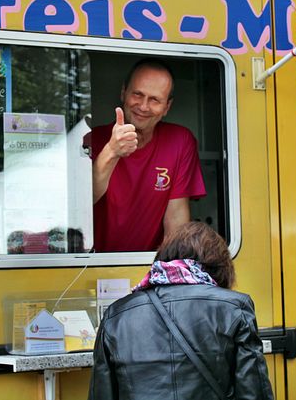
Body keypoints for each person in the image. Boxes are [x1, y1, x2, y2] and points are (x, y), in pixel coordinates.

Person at [88, 222, 274, 400]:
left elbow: (102, 394)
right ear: (221, 266)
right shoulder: (235, 307)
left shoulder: (116, 314)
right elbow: (254, 393)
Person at [90, 58, 205, 252]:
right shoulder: (91, 139)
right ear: (123, 93)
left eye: (154, 100)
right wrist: (112, 151)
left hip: (149, 265)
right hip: (89, 264)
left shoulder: (180, 141)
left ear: (166, 107)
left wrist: (170, 271)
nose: (143, 106)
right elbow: (83, 203)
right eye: (137, 94)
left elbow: (176, 221)